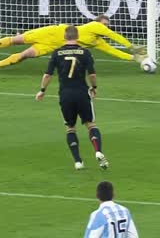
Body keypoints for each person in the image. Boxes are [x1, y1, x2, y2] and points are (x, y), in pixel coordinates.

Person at [35, 26, 108, 170]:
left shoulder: (57, 53)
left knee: (70, 128)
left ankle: (78, 162)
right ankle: (98, 151)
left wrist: (42, 90)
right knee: (91, 125)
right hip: (81, 92)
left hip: (65, 94)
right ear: (78, 36)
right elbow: (92, 75)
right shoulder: (85, 52)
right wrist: (94, 87)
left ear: (64, 36)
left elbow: (47, 75)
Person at [0, 14, 147, 70]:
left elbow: (113, 51)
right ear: (99, 22)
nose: (106, 28)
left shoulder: (97, 42)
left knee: (25, 55)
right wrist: (131, 47)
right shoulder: (95, 25)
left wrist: (133, 58)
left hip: (53, 45)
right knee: (17, 40)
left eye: (107, 25)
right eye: (105, 25)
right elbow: (115, 36)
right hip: (52, 31)